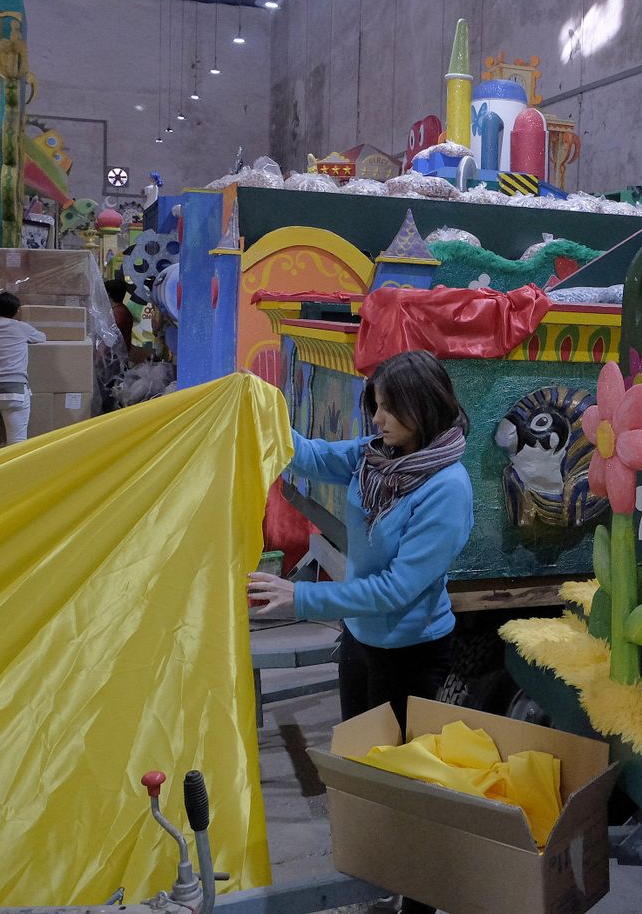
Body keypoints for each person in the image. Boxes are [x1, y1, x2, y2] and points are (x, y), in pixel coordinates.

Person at [247, 351, 471, 914]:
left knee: (407, 783)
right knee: (364, 768)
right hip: (363, 640)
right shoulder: (378, 458)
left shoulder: (446, 488)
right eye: (376, 405)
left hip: (412, 651)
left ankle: (418, 899)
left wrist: (302, 598)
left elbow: (397, 589)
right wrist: (259, 412)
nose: (377, 418)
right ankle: (379, 876)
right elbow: (317, 455)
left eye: (391, 408)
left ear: (425, 408)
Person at [0, 291, 46, 456]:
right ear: (17, 311)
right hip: (14, 393)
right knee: (17, 443)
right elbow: (42, 338)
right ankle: (16, 479)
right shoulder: (21, 328)